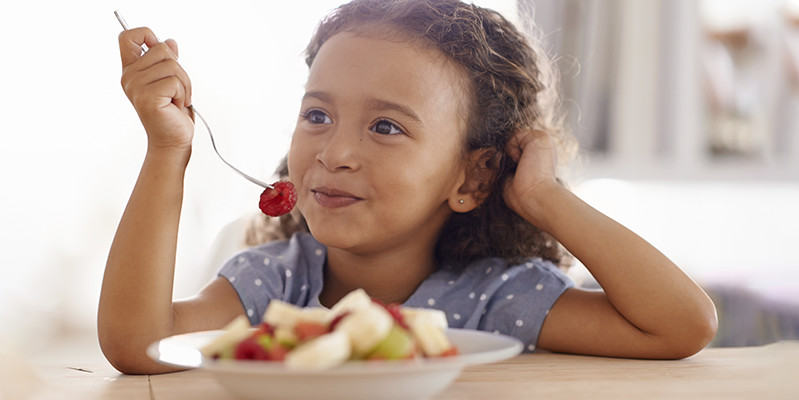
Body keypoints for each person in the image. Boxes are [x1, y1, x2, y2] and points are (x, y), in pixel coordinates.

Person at [99, 0, 718, 375]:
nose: (335, 153)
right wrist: (167, 150)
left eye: (386, 126)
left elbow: (680, 327)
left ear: (472, 177)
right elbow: (141, 345)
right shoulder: (273, 284)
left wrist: (543, 196)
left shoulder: (495, 300)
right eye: (317, 115)